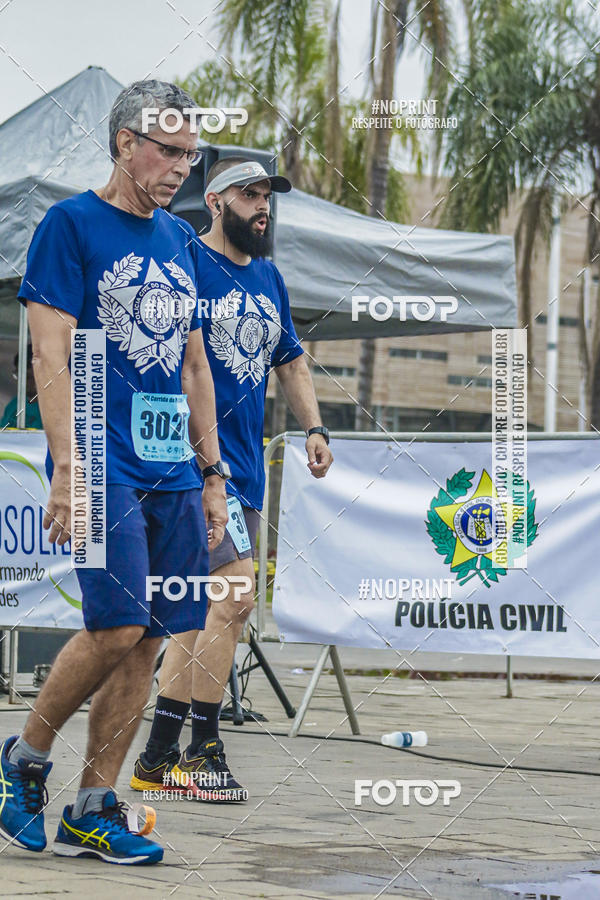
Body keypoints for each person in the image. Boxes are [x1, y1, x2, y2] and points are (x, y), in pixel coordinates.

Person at [0, 80, 228, 864]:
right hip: (102, 462)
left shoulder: (179, 240)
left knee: (152, 637)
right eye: (168, 151)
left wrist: (213, 475)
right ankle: (25, 758)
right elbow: (50, 355)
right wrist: (67, 468)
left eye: (190, 156)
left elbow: (195, 367)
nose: (179, 168)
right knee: (117, 624)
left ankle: (94, 805)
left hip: (172, 469)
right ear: (125, 142)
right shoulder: (70, 224)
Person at [131, 157, 333, 801]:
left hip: (244, 471)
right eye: (249, 194)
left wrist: (315, 429)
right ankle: (204, 750)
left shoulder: (270, 278)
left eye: (267, 195)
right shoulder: (185, 255)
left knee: (202, 612)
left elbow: (292, 363)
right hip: (190, 468)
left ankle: (159, 755)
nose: (262, 206)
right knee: (236, 595)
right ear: (216, 202)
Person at [0, 346, 43, 429]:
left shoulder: (52, 407)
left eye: (28, 377)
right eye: (18, 376)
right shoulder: (15, 404)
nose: (23, 382)